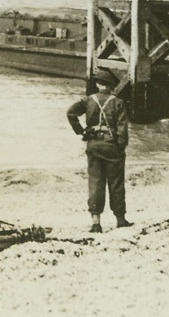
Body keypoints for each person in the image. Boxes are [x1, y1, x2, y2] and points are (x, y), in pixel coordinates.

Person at [66, 67, 131, 233]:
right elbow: (122, 129)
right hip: (112, 146)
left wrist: (81, 131)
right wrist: (121, 147)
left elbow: (70, 113)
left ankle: (96, 222)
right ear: (110, 86)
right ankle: (120, 219)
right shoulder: (118, 102)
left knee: (95, 183)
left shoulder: (88, 100)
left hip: (94, 145)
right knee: (116, 183)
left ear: (98, 84)